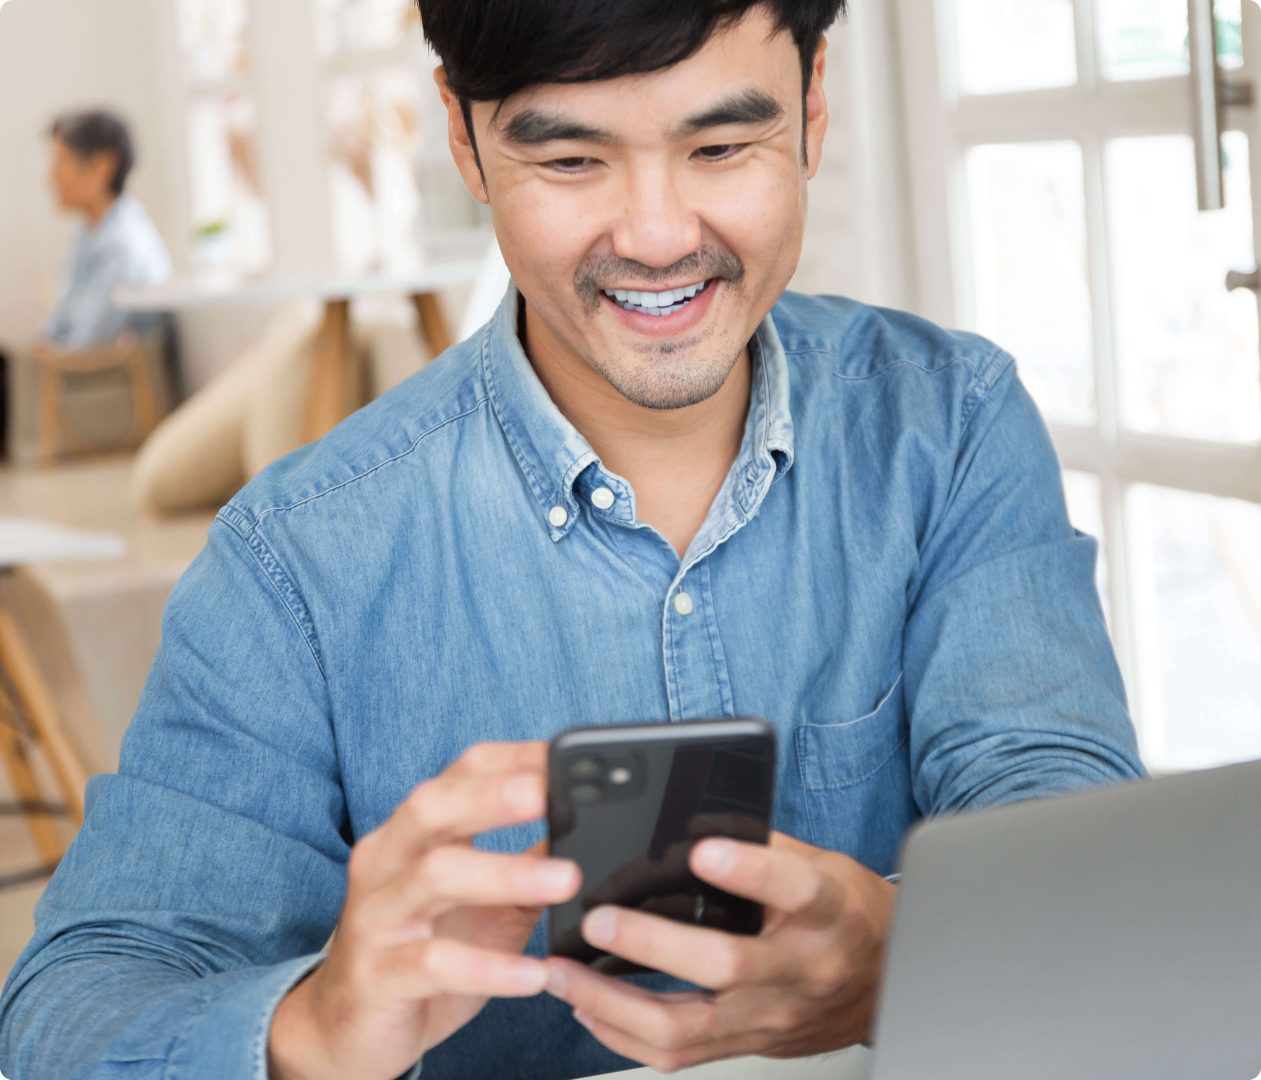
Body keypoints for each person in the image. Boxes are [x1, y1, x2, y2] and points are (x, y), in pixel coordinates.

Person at [0, 3, 1146, 1078]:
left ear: (813, 102)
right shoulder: (295, 559)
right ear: (461, 136)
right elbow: (67, 1013)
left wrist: (907, 947)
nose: (656, 237)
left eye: (719, 148)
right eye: (568, 160)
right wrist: (315, 1028)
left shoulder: (949, 426)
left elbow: (1068, 833)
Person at [42, 108, 171, 351]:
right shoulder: (91, 233)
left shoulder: (122, 245)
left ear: (102, 166)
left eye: (61, 161)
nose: (50, 178)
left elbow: (86, 343)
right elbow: (57, 327)